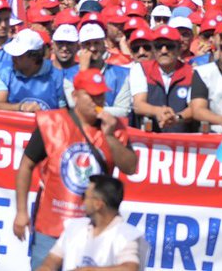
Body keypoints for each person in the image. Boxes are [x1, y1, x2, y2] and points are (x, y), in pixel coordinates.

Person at [13, 69, 139, 269]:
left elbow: (131, 167)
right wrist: (21, 211)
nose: (97, 101)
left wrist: (110, 137)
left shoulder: (114, 127)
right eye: (91, 95)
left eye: (101, 95)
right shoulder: (51, 123)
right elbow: (26, 165)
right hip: (51, 226)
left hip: (93, 227)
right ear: (75, 95)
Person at [38, 174, 145, 271]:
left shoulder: (125, 236)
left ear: (98, 204)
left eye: (84, 196)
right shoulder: (75, 227)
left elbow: (130, 268)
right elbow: (51, 261)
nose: (82, 201)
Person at [129, 24, 195, 132]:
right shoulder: (140, 69)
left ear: (179, 49)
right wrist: (157, 111)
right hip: (149, 139)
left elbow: (195, 107)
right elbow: (138, 105)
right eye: (159, 46)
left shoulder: (191, 73)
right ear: (154, 49)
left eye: (169, 46)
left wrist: (177, 118)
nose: (164, 51)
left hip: (182, 140)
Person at [0, 30, 67, 113]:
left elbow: (63, 110)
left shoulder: (56, 75)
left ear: (34, 57)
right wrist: (21, 107)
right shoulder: (5, 72)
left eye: (19, 55)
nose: (13, 58)